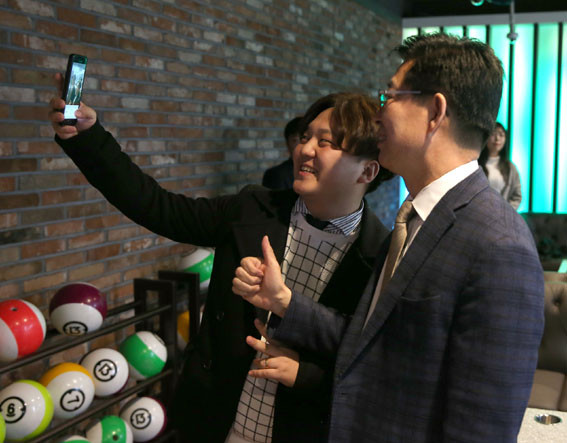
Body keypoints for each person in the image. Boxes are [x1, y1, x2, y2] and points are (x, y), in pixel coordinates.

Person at [233, 33, 545, 442]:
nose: (378, 113)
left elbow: (481, 427)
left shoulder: (499, 246)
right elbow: (372, 340)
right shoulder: (413, 217)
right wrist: (284, 302)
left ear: (435, 112)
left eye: (391, 97)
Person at [48, 87, 394, 442]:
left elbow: (377, 369)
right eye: (305, 137)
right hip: (214, 422)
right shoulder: (254, 208)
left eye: (326, 143)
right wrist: (88, 139)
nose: (304, 149)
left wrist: (305, 375)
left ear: (367, 171)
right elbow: (159, 208)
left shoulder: (381, 257)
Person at [478, 122, 522, 210]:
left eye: (501, 135)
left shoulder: (510, 167)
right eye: (493, 134)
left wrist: (506, 212)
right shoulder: (476, 165)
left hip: (503, 215)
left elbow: (517, 196)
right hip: (480, 213)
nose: (497, 138)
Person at [262, 117, 302, 190]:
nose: (300, 145)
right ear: (287, 144)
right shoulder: (275, 175)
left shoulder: (319, 173)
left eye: (305, 139)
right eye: (295, 140)